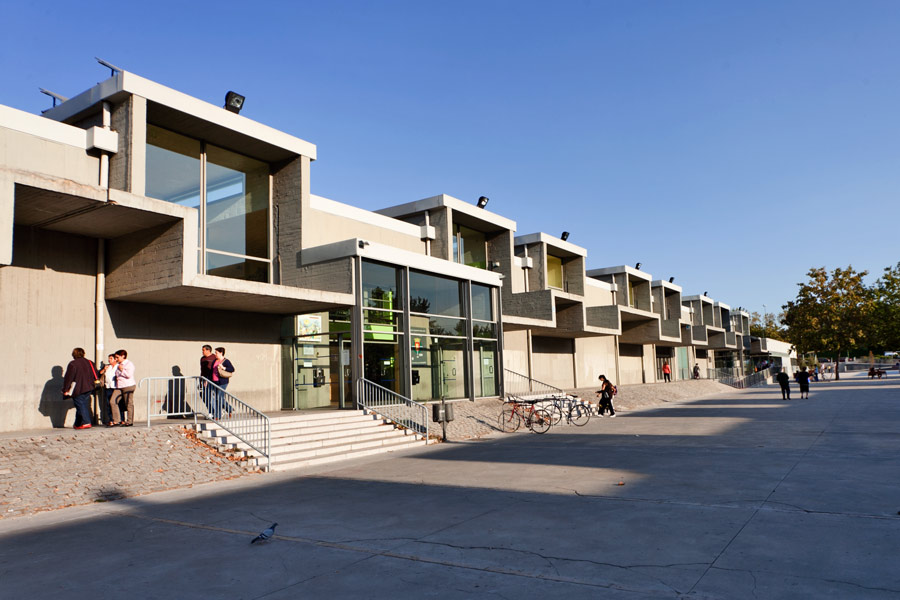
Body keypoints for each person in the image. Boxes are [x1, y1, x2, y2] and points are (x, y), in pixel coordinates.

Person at [62, 348, 96, 429]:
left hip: (78, 388)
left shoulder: (73, 364)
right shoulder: (90, 362)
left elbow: (69, 378)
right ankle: (78, 424)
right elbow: (95, 373)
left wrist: (65, 389)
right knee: (82, 405)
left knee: (80, 404)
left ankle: (86, 422)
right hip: (89, 387)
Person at [110, 349, 136, 426]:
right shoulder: (118, 365)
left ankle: (129, 421)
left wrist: (122, 370)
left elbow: (128, 375)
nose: (116, 359)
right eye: (115, 357)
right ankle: (116, 420)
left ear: (123, 356)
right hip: (119, 386)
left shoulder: (129, 364)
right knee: (113, 401)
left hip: (128, 386)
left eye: (117, 357)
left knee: (128, 403)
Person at [210, 347, 235, 419]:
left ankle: (218, 415)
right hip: (214, 382)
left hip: (223, 382)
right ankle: (229, 409)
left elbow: (232, 369)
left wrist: (223, 368)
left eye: (216, 353)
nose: (215, 354)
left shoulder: (226, 361)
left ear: (221, 353)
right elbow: (211, 371)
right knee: (219, 397)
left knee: (218, 397)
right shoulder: (214, 361)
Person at [98, 353, 118, 426]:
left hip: (116, 387)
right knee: (108, 404)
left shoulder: (118, 366)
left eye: (111, 358)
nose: (109, 360)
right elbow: (100, 373)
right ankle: (111, 419)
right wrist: (104, 369)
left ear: (115, 359)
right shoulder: (107, 367)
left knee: (116, 403)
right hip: (108, 387)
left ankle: (119, 419)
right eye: (109, 358)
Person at [200, 344, 217, 414]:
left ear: (208, 350)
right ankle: (212, 412)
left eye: (203, 350)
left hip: (212, 379)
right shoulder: (202, 358)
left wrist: (207, 380)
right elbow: (202, 369)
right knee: (205, 396)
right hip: (204, 379)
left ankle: (215, 412)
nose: (202, 352)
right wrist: (201, 379)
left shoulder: (214, 357)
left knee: (214, 396)